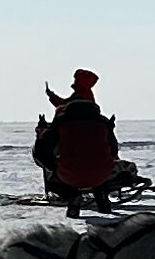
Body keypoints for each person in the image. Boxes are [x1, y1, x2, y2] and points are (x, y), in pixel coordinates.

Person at [40, 68, 119, 216]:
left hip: (69, 172)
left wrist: (53, 165)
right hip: (101, 172)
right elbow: (113, 149)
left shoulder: (65, 118)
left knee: (56, 179)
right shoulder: (102, 122)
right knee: (97, 172)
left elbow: (41, 150)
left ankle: (72, 195)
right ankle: (102, 199)